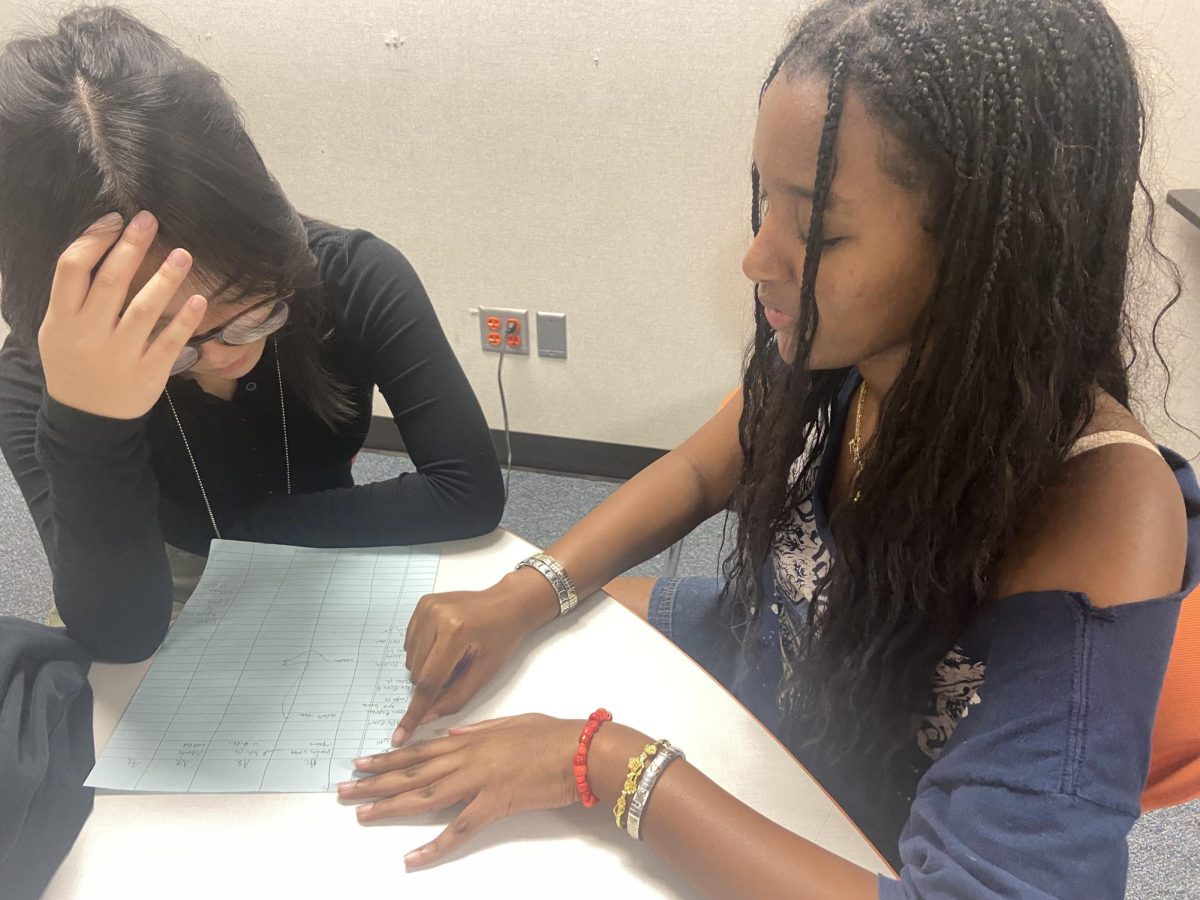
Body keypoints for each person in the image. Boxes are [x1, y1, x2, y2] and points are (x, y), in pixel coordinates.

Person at [337, 1, 1198, 896]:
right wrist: (527, 592)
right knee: (543, 637)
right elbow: (706, 463)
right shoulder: (845, 348)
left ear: (993, 247)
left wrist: (607, 765)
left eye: (818, 230)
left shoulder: (1104, 505)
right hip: (777, 659)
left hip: (855, 827)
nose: (757, 258)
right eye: (764, 201)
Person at [0, 7, 505, 663]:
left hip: (330, 537)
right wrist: (86, 421)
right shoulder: (40, 375)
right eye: (168, 341)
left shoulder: (351, 275)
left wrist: (247, 533)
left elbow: (468, 492)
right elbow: (123, 634)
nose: (229, 358)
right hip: (156, 569)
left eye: (252, 306)